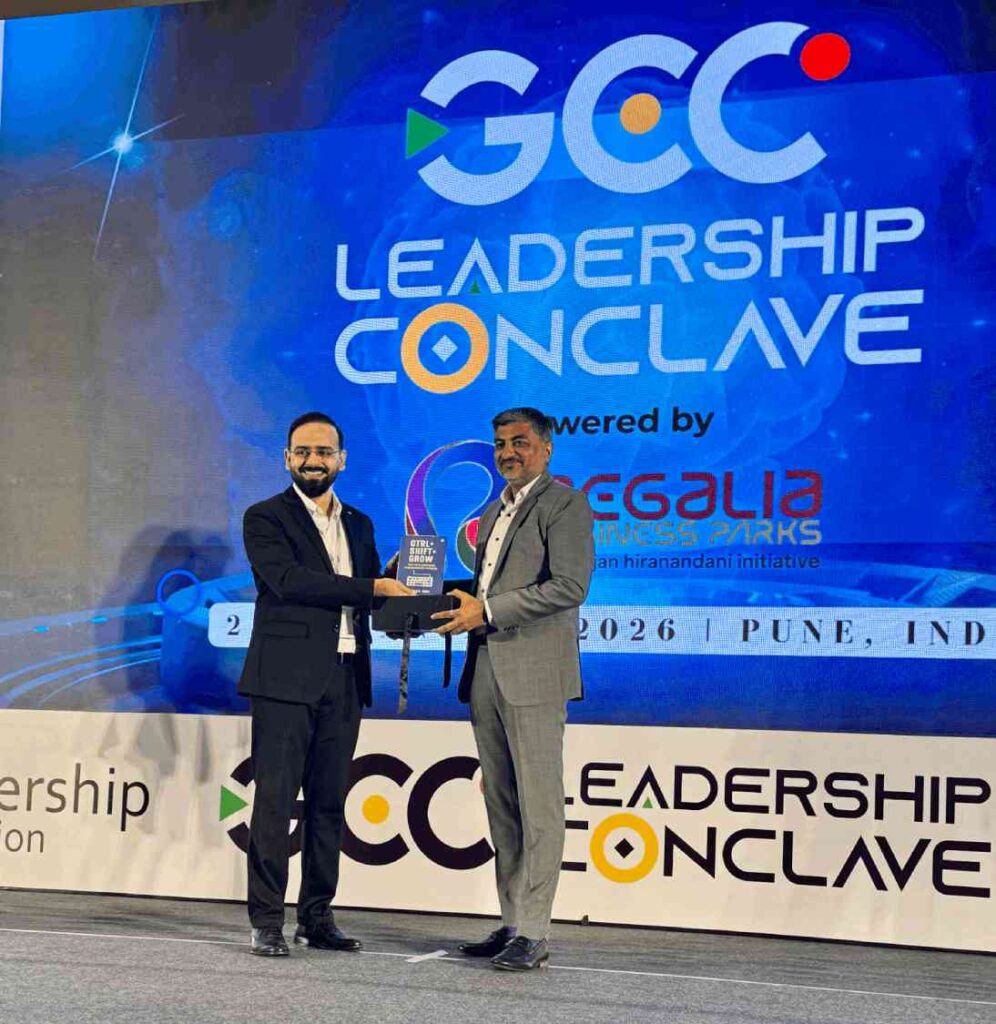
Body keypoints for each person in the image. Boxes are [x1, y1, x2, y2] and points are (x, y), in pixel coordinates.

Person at [238, 411, 412, 957]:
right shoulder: (264, 517)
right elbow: (289, 582)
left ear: (342, 459)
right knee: (274, 803)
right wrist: (371, 586)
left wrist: (408, 589)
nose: (313, 460)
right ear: (287, 459)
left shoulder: (359, 523)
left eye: (323, 452)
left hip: (345, 676)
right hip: (284, 680)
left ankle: (316, 917)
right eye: (303, 451)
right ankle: (267, 921)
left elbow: (370, 598)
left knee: (329, 804)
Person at [432, 406, 594, 972]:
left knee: (539, 806)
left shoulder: (566, 504)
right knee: (501, 804)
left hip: (535, 673)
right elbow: (486, 588)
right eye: (501, 443)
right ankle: (510, 923)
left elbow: (570, 586)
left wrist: (488, 611)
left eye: (520, 442)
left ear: (546, 447)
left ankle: (535, 931)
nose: (508, 452)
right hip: (486, 670)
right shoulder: (494, 509)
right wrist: (423, 585)